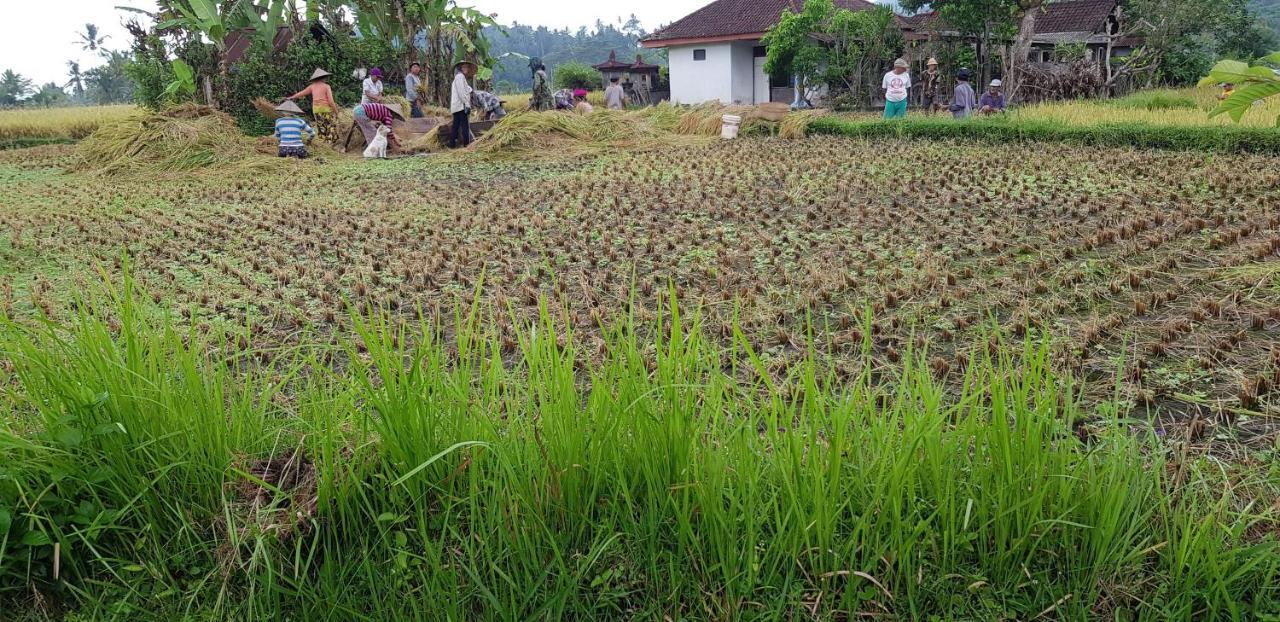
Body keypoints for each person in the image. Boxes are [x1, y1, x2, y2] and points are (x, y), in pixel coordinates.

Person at [287, 68, 338, 143]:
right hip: (326, 109)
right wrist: (336, 111)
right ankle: (330, 144)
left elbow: (302, 93)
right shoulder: (326, 86)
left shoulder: (312, 86)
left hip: (316, 110)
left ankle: (323, 144)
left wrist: (292, 97)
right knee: (331, 126)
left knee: (321, 127)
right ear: (323, 78)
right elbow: (331, 101)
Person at [450, 60, 476, 148]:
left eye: (467, 67)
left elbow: (465, 89)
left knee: (456, 126)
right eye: (464, 67)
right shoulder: (460, 77)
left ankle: (452, 145)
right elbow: (461, 92)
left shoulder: (459, 77)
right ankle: (466, 144)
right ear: (460, 68)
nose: (466, 69)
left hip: (457, 106)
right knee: (465, 125)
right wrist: (466, 103)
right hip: (461, 106)